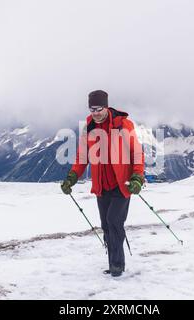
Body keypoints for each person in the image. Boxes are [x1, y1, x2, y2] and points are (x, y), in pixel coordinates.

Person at [60, 90, 145, 277]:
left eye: (98, 109)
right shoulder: (89, 127)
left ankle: (117, 265)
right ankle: (113, 262)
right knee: (106, 225)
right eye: (92, 109)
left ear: (106, 107)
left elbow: (137, 153)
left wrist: (137, 177)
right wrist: (72, 177)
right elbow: (82, 157)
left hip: (122, 184)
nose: (95, 113)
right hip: (101, 186)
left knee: (114, 221)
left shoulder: (123, 125)